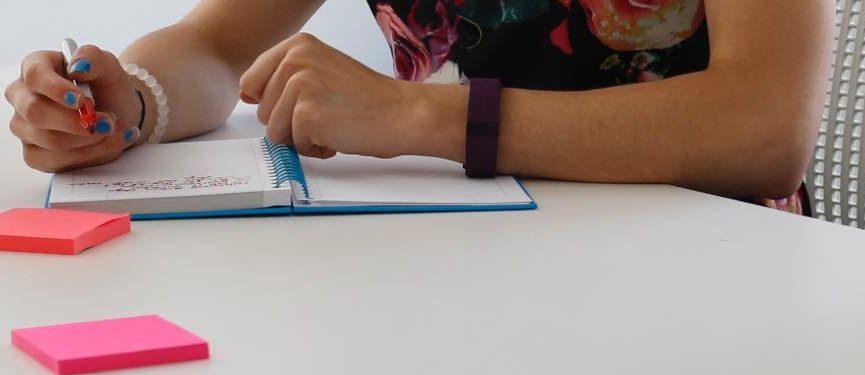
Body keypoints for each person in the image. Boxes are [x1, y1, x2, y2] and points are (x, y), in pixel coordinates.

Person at [4, 0, 832, 214]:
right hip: (495, 251)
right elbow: (218, 46)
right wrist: (133, 101)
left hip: (713, 272)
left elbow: (761, 127)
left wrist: (420, 117)